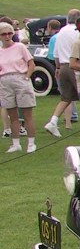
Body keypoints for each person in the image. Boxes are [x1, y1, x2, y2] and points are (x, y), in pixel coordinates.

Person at [44, 9, 80, 138]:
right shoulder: (77, 32)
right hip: (76, 65)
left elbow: (56, 54)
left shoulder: (60, 32)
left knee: (66, 98)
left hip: (62, 66)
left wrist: (58, 67)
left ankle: (53, 121)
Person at [0, 21, 38, 153]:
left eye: (10, 33)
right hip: (5, 81)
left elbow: (31, 64)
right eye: (4, 34)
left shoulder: (20, 47)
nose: (7, 36)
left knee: (27, 114)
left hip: (20, 78)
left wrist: (27, 77)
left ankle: (31, 143)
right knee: (12, 114)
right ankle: (15, 143)